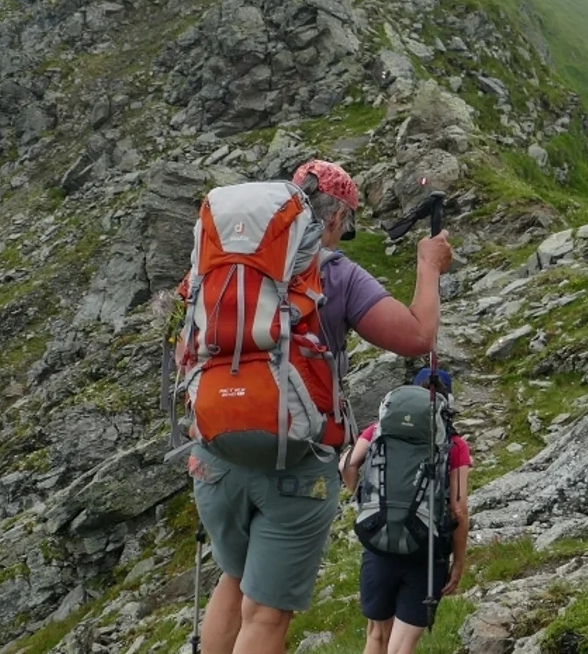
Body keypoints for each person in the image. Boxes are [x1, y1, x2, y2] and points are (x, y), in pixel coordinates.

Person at [184, 159, 454, 654]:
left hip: (214, 452)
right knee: (265, 612)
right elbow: (418, 336)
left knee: (233, 576)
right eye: (346, 226)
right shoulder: (336, 273)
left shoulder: (221, 266)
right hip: (295, 457)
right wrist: (428, 266)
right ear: (333, 219)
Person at [340, 368, 472, 654]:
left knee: (376, 636)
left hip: (379, 542)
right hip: (427, 552)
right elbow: (459, 510)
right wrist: (458, 564)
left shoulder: (379, 430)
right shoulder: (455, 445)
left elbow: (346, 466)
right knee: (401, 648)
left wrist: (362, 499)